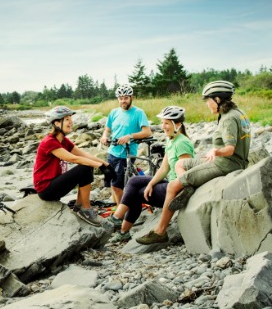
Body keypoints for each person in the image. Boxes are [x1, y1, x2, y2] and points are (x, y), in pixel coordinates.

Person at [136, 80, 251, 245]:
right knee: (181, 164)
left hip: (225, 164)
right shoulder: (238, 113)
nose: (207, 104)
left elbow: (230, 149)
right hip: (228, 160)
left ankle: (160, 231)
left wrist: (216, 151)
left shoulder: (228, 119)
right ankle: (187, 186)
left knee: (171, 186)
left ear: (218, 99)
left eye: (208, 100)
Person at [106, 106, 195, 244]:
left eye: (166, 123)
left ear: (177, 124)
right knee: (134, 181)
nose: (163, 126)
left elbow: (184, 174)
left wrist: (158, 186)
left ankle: (120, 224)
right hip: (168, 183)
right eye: (162, 123)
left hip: (175, 190)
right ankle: (119, 222)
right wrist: (151, 184)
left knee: (135, 194)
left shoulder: (182, 143)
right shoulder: (171, 139)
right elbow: (164, 167)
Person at [33, 105, 110, 227]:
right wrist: (100, 166)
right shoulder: (49, 142)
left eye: (70, 119)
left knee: (86, 165)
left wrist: (107, 165)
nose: (71, 122)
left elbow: (83, 154)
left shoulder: (63, 140)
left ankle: (79, 207)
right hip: (46, 189)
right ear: (57, 123)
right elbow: (73, 158)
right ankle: (85, 209)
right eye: (67, 119)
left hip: (55, 184)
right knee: (84, 167)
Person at [100, 84, 152, 205]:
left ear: (131, 97)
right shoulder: (113, 112)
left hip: (126, 154)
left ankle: (121, 214)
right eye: (121, 98)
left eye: (126, 98)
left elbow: (147, 132)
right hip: (112, 152)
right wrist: (104, 137)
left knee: (117, 186)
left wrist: (130, 136)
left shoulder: (139, 113)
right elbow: (107, 129)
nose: (123, 100)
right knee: (112, 184)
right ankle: (117, 208)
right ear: (118, 98)